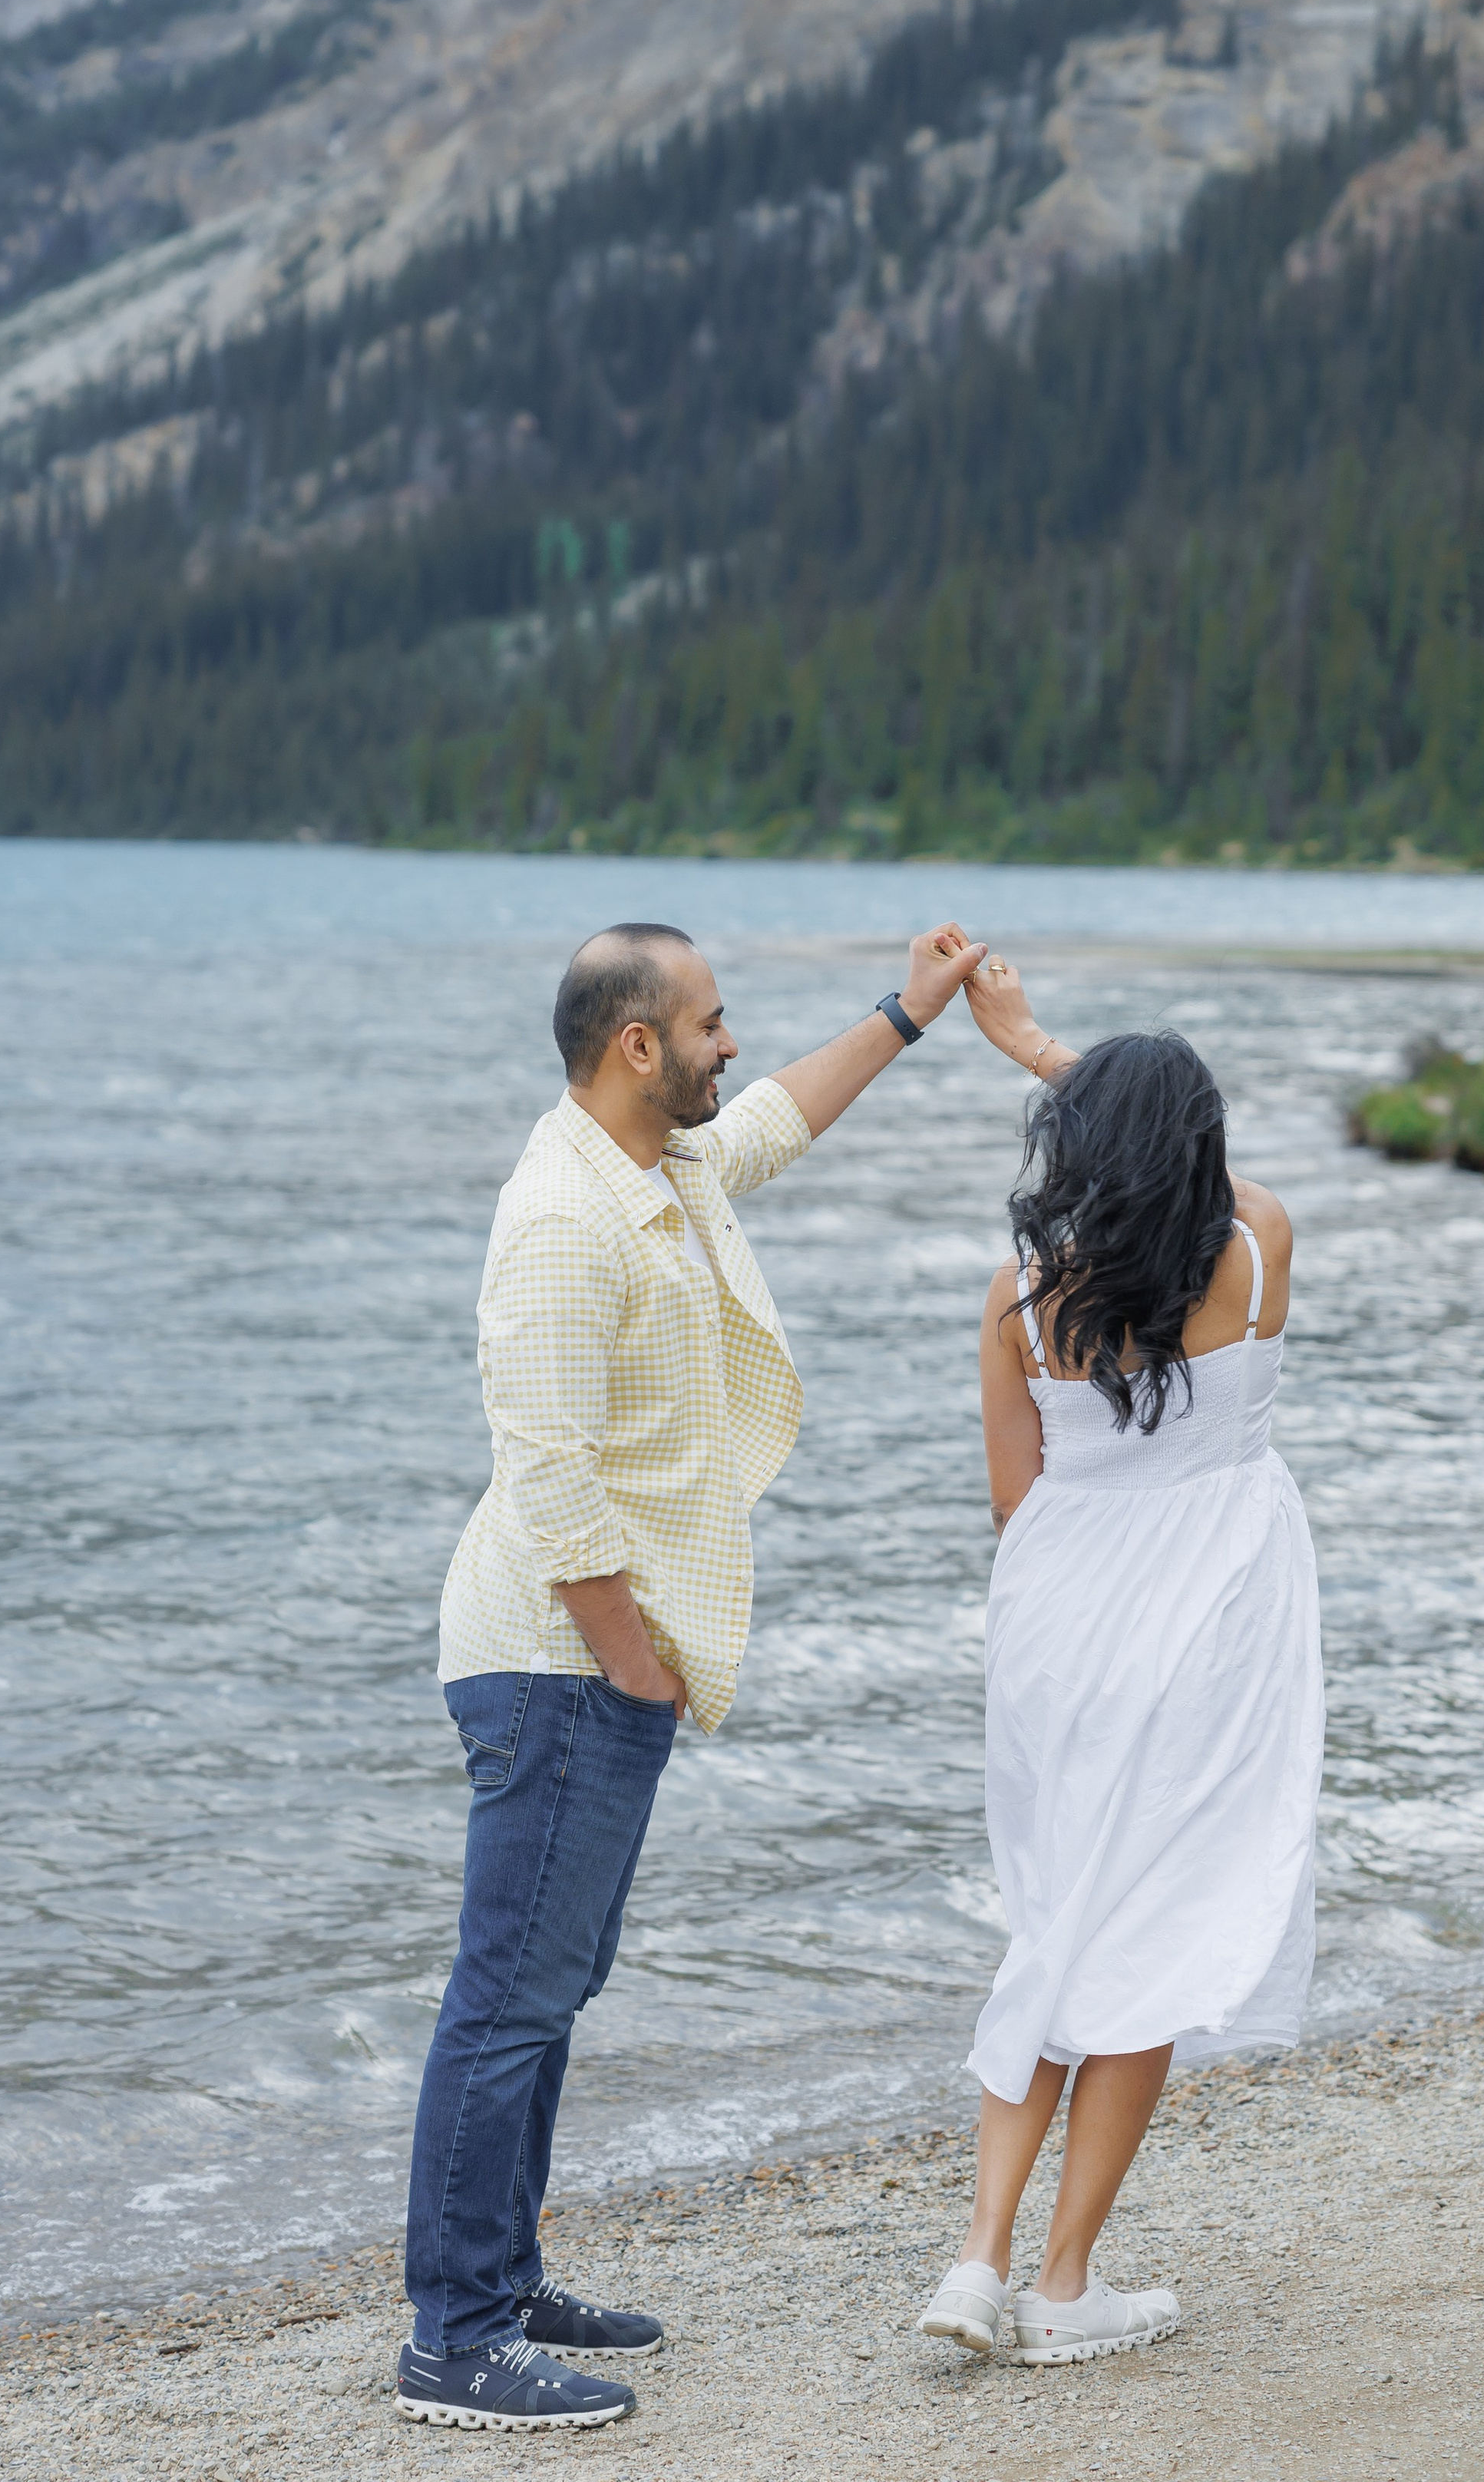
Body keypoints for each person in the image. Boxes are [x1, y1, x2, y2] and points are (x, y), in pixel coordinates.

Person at [397, 917, 988, 2433]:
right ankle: (453, 2341)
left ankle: (502, 2280)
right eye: (713, 1023)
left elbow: (779, 1119)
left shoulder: (661, 1168)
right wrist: (635, 1672)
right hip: (553, 1658)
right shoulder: (560, 1224)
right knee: (509, 1994)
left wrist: (905, 1016)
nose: (733, 1044)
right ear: (635, 1044)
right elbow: (546, 1476)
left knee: (550, 1981)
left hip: (599, 1658)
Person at [917, 953, 1324, 2368]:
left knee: (1056, 1927)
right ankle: (1066, 2283)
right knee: (1143, 1944)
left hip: (1056, 1629)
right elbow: (1187, 1167)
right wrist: (1045, 1050)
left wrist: (1036, 1060)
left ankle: (977, 2261)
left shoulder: (1019, 1295)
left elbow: (1013, 1503)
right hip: (1208, 1631)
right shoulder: (1258, 1246)